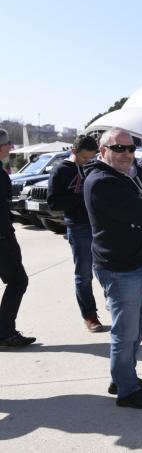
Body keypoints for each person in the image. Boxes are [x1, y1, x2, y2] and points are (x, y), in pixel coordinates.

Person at [84, 127, 142, 408]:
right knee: (125, 332)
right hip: (120, 268)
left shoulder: (131, 174)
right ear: (103, 151)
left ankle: (124, 376)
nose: (127, 154)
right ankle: (126, 390)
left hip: (140, 263)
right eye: (118, 148)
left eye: (131, 148)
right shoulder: (102, 181)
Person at [46, 134, 104, 332]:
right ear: (73, 151)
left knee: (107, 268)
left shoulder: (95, 167)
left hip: (100, 225)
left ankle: (116, 305)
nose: (88, 161)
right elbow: (53, 202)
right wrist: (82, 198)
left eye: (91, 157)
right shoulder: (60, 170)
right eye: (84, 158)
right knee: (84, 273)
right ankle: (89, 315)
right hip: (78, 226)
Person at [0, 129, 35, 348]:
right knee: (18, 281)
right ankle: (4, 333)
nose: (11, 147)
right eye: (8, 143)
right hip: (2, 238)